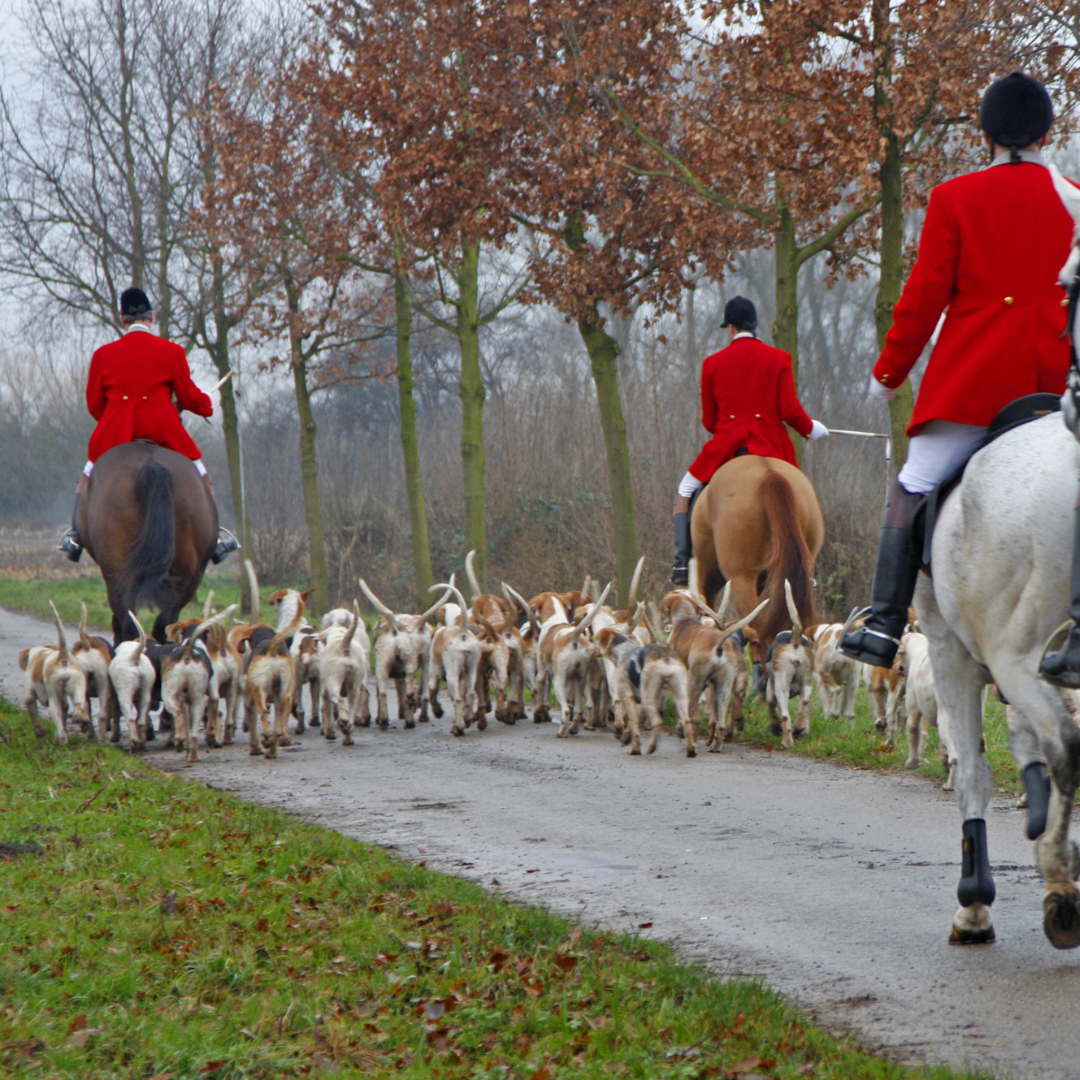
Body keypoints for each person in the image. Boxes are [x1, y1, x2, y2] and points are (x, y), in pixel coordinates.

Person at [840, 72, 1078, 679]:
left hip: (977, 387)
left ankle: (884, 625)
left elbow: (922, 300)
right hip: (1061, 389)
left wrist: (889, 372)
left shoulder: (955, 199)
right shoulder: (1076, 199)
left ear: (986, 135)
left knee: (914, 482)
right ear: (1046, 133)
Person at [58, 287, 239, 565]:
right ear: (151, 317)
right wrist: (204, 403)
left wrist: (115, 418)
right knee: (200, 472)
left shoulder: (103, 355)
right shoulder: (172, 351)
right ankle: (214, 538)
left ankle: (75, 537)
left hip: (115, 432)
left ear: (123, 319)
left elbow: (94, 404)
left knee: (88, 472)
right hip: (164, 430)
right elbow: (188, 398)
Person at [671, 295, 828, 585]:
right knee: (797, 492)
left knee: (685, 489)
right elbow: (790, 410)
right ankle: (805, 570)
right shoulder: (780, 359)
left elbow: (709, 421)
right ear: (755, 326)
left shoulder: (712, 364)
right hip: (772, 444)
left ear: (730, 328)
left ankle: (682, 564)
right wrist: (811, 429)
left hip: (727, 446)